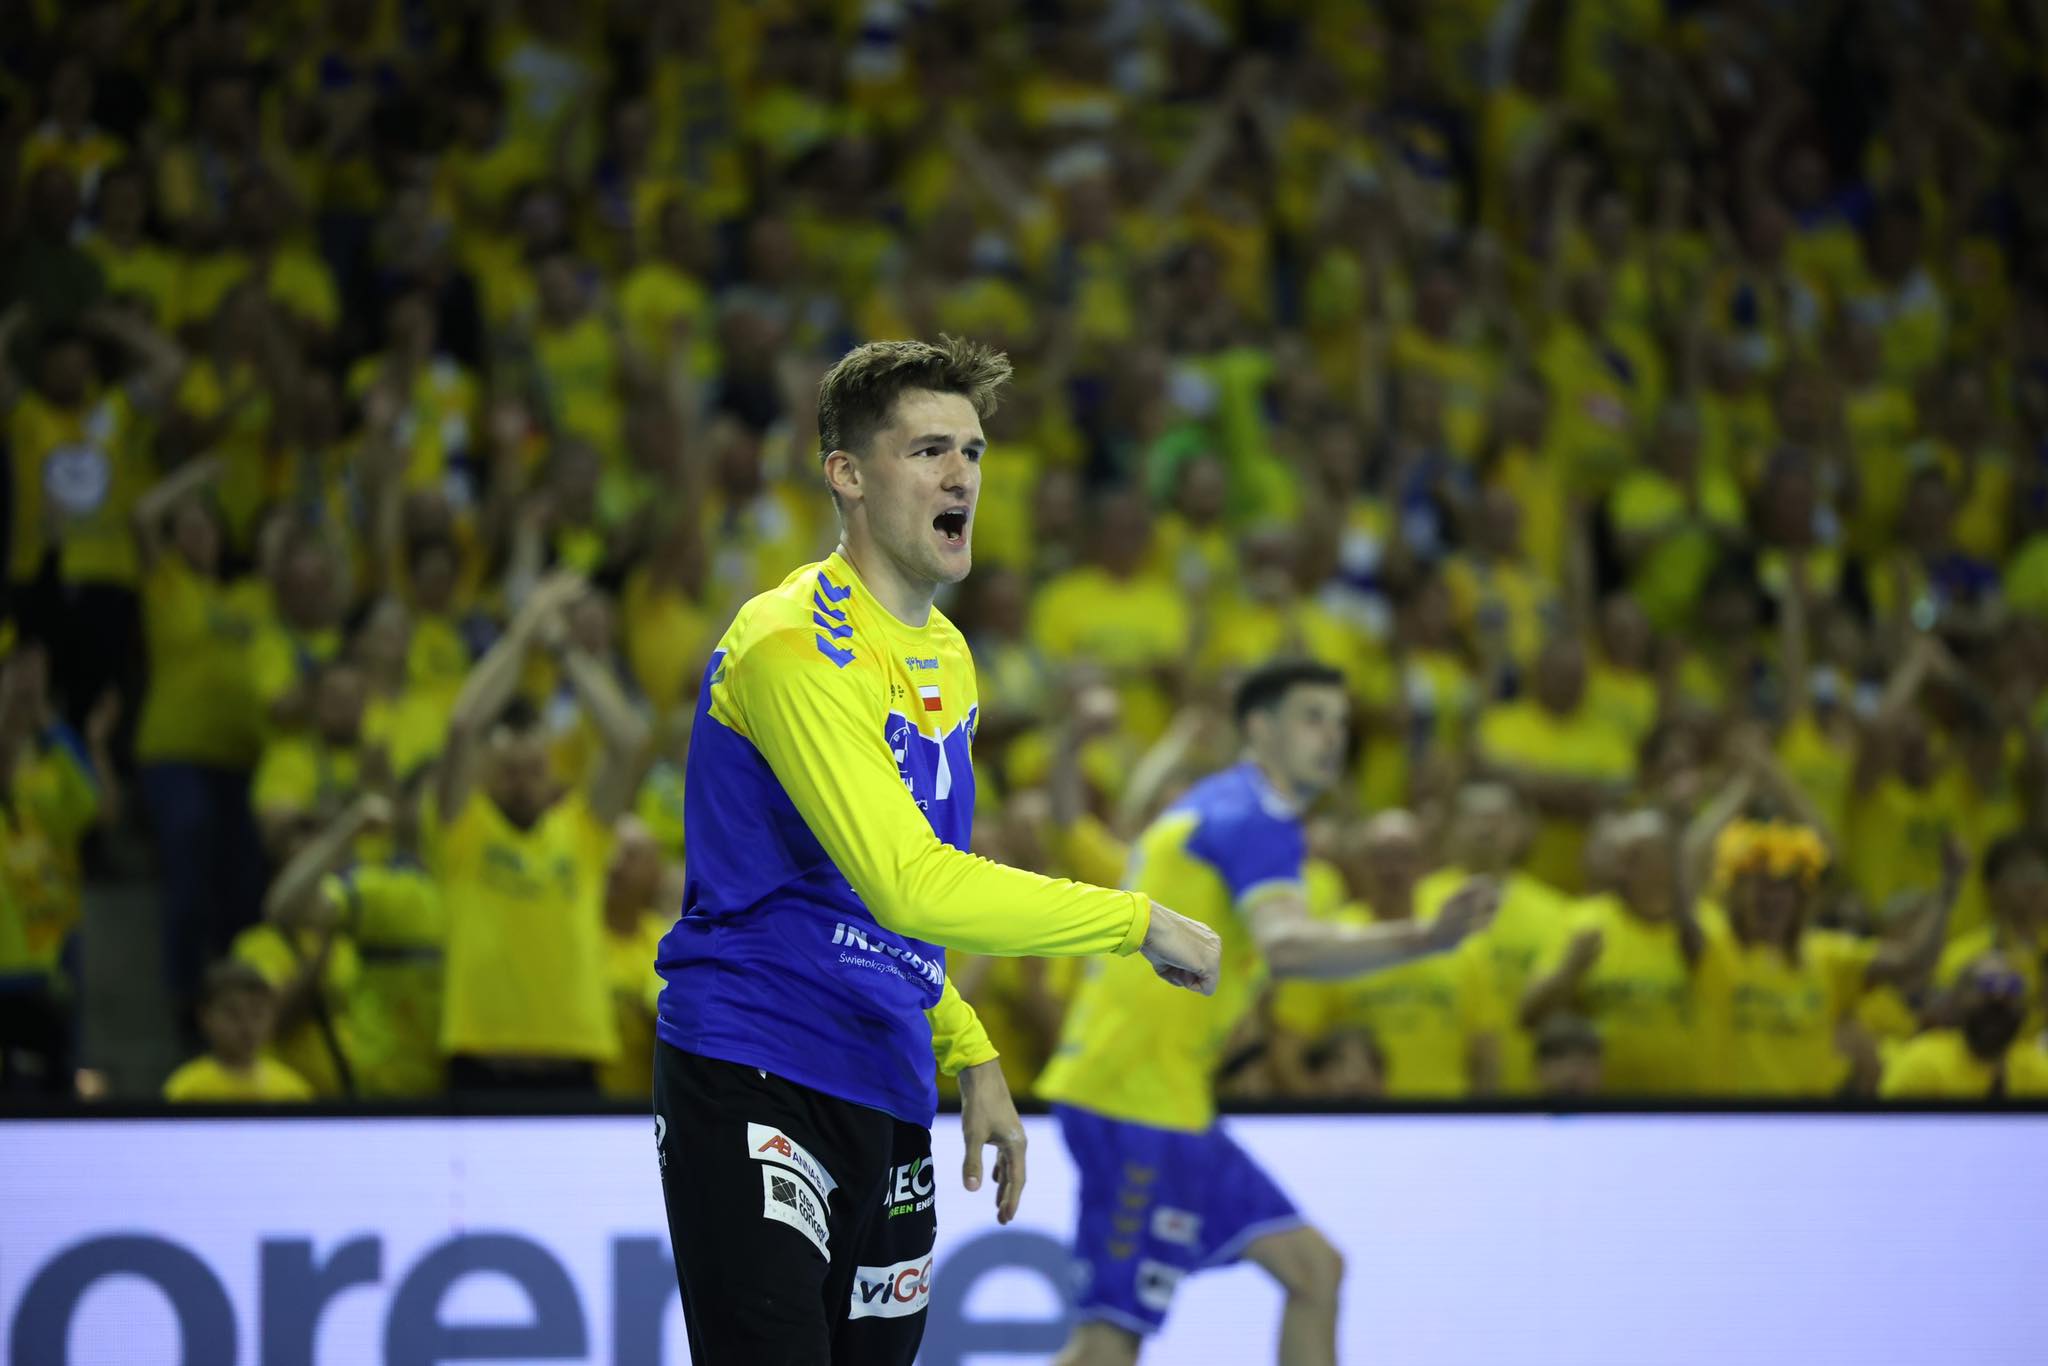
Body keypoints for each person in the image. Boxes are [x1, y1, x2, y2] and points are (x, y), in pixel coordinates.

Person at [651, 336, 1223, 1366]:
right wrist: (1135, 921)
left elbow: (887, 904)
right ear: (847, 474)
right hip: (757, 1058)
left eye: (972, 451)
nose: (961, 475)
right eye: (927, 451)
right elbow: (909, 887)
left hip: (886, 1073)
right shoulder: (790, 643)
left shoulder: (948, 653)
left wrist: (968, 1050)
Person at [1039, 661, 1494, 1366]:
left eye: (1340, 722)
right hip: (1132, 1099)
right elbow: (1286, 946)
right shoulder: (1256, 818)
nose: (1332, 737)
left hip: (1169, 1101)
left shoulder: (1215, 803)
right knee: (1107, 1344)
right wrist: (1426, 937)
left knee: (1315, 1272)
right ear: (1259, 727)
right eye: (1312, 718)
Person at [434, 570, 648, 1092]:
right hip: (481, 1062)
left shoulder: (581, 829)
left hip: (574, 1061)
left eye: (533, 769)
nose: (523, 781)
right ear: (487, 773)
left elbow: (628, 741)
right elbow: (463, 726)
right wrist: (524, 630)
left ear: (551, 770)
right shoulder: (465, 828)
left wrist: (562, 649)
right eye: (509, 770)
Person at [161, 959, 314, 1103]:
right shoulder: (187, 1091)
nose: (246, 1025)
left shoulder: (292, 1091)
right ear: (205, 1016)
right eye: (232, 1013)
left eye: (257, 1013)